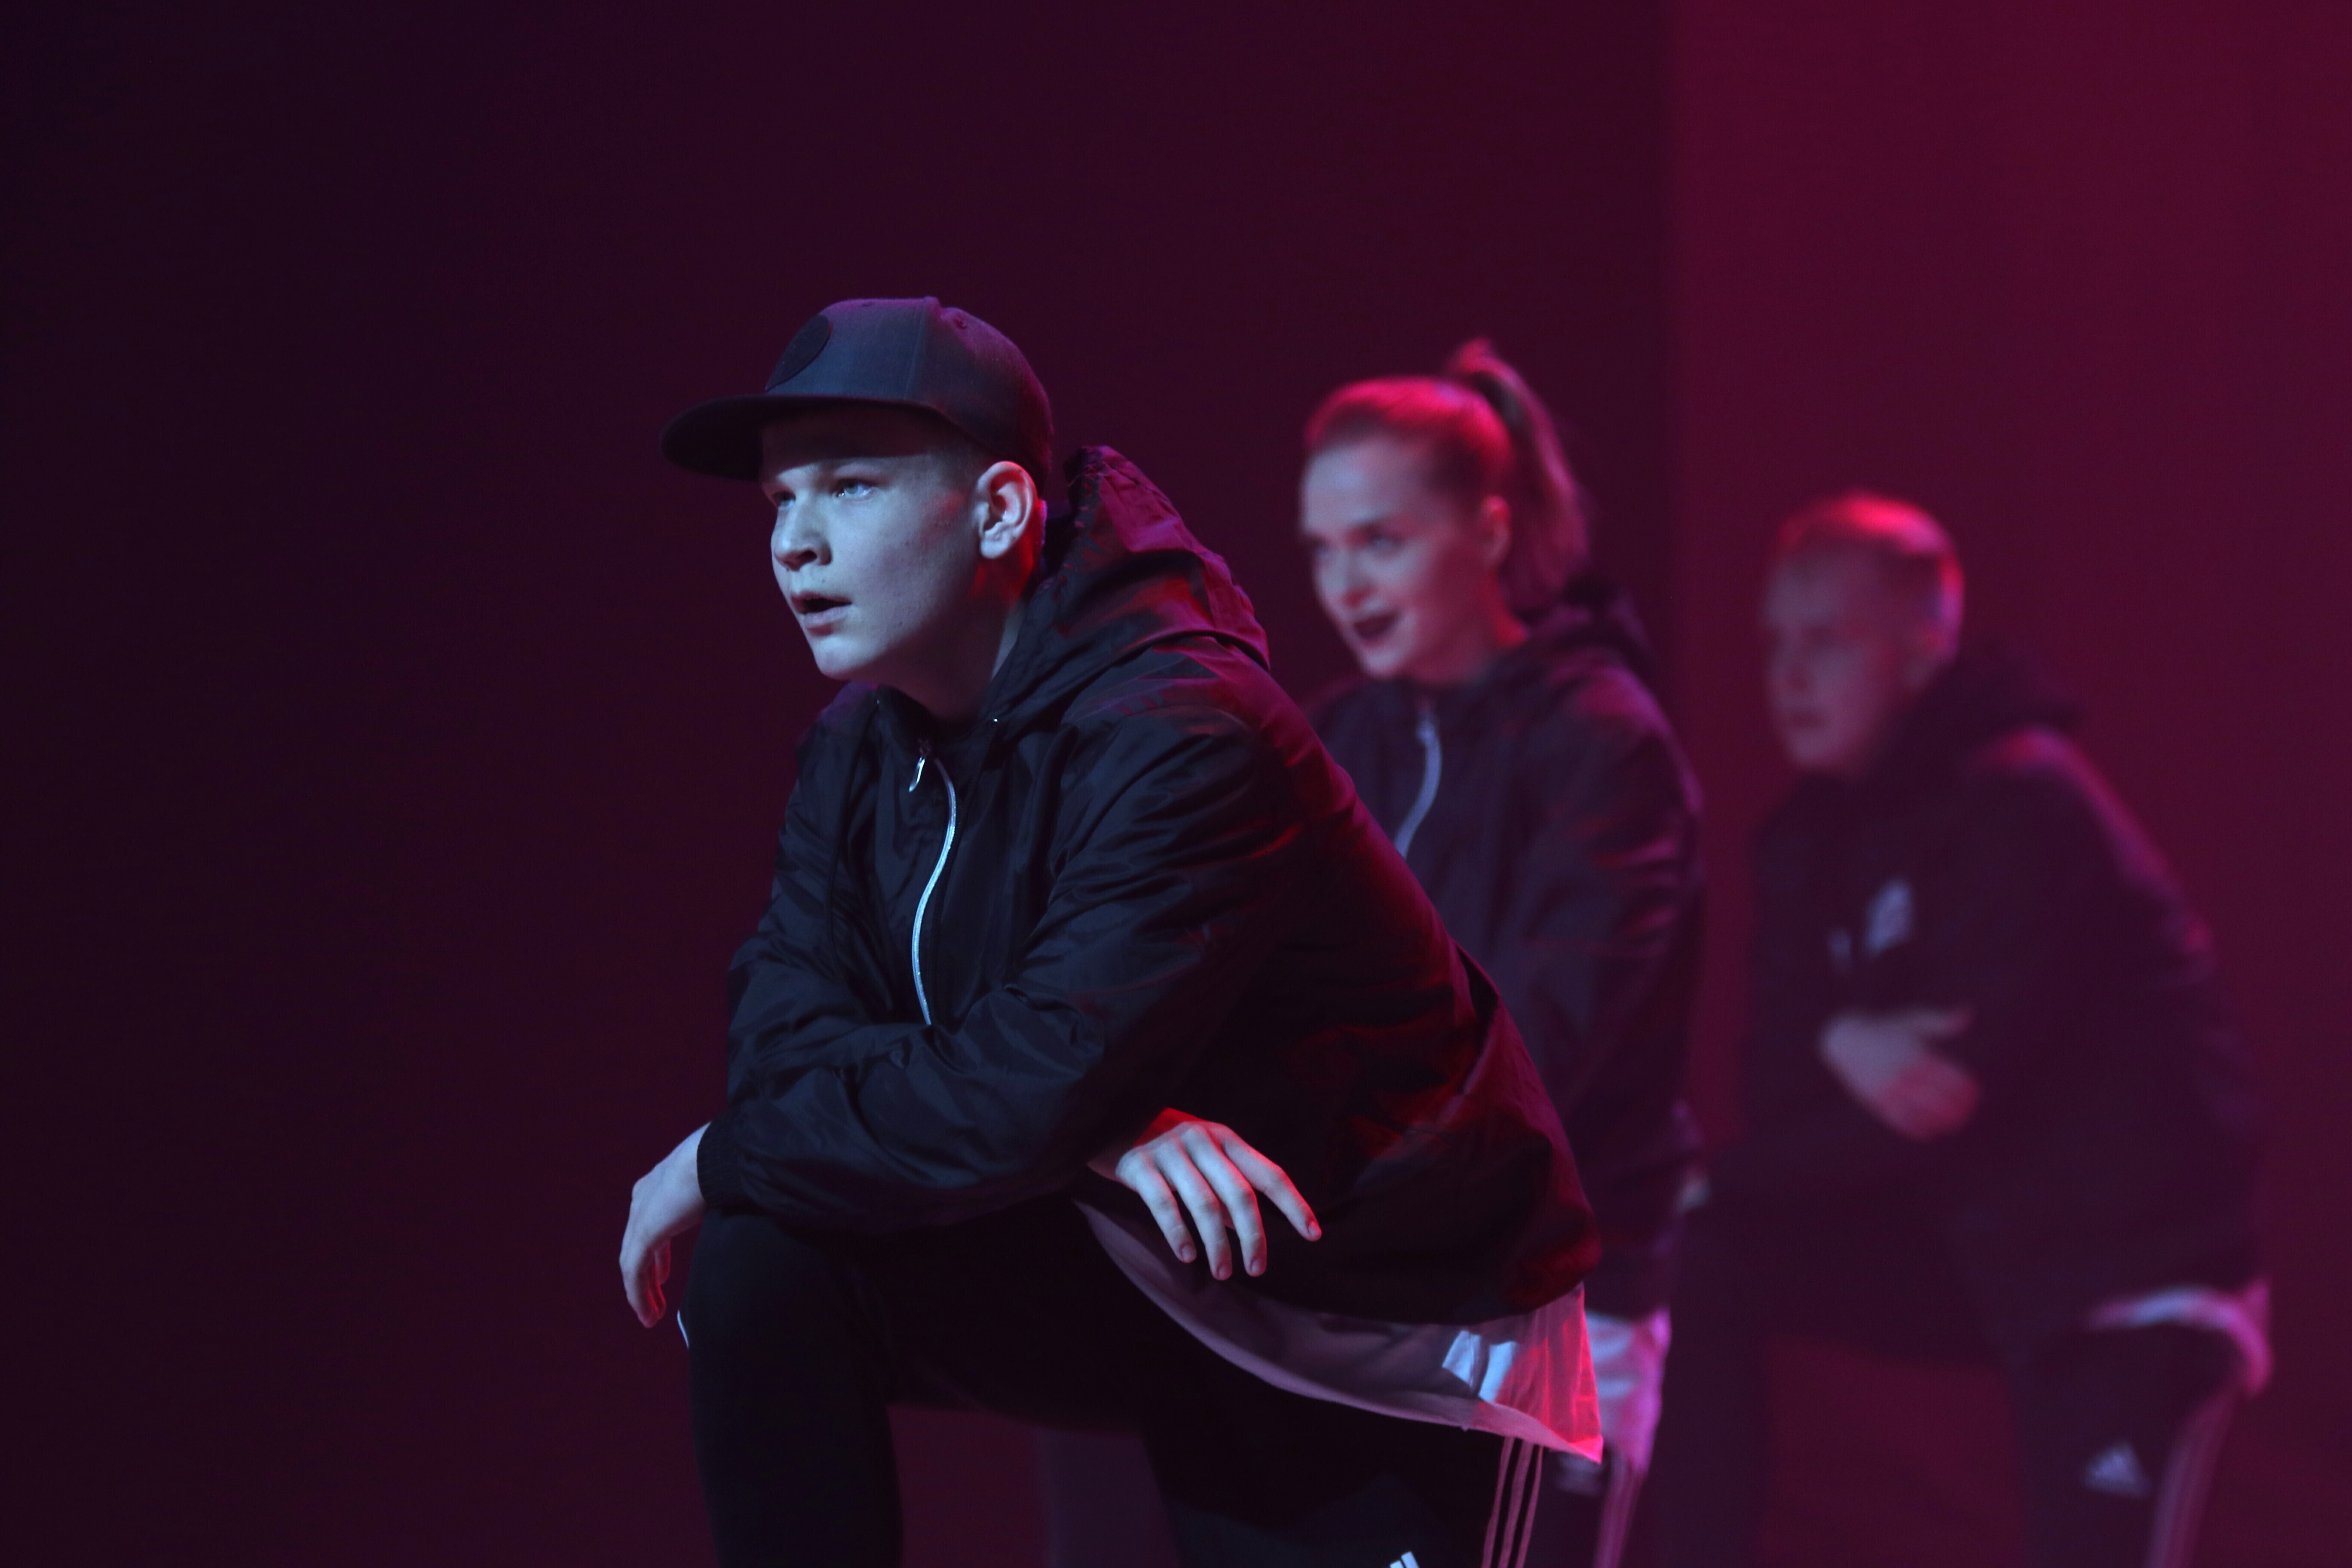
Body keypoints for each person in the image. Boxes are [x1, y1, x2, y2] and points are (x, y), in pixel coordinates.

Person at [619, 296, 1603, 1568]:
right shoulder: (857, 752)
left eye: (850, 488)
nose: (796, 544)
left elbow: (1038, 1076)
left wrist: (1037, 1109)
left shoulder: (1184, 728)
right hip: (1137, 1251)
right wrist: (1094, 1126)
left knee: (757, 1171)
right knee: (768, 1246)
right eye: (779, 501)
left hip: (1377, 1314)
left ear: (1000, 511)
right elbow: (787, 1055)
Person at [1649, 493, 2267, 1568]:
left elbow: (1945, 1091)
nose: (1789, 678)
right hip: (1976, 1245)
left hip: (2122, 1276)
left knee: (1715, 1202)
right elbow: (1783, 1096)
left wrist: (1761, 1140)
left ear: (1923, 647)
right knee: (1708, 1251)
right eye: (1774, 646)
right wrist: (1845, 1038)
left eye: (1826, 643)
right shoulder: (1807, 840)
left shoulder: (2026, 802)